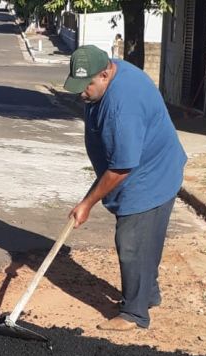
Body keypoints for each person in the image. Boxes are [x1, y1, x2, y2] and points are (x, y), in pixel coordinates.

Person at [64, 45, 187, 331]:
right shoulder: (111, 72)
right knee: (148, 239)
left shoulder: (123, 107)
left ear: (105, 74)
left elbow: (121, 166)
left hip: (148, 175)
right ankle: (148, 295)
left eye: (87, 86)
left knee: (132, 242)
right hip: (152, 165)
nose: (81, 93)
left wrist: (87, 203)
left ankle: (135, 313)